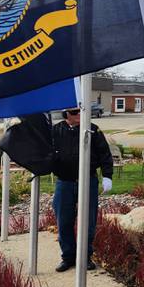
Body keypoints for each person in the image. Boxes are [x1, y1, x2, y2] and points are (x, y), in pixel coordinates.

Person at [51, 107, 113, 273]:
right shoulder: (56, 130)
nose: (79, 115)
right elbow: (47, 153)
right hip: (64, 182)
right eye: (75, 112)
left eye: (80, 111)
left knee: (88, 221)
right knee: (63, 220)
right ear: (66, 114)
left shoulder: (92, 130)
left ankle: (85, 256)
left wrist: (107, 176)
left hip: (87, 181)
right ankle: (68, 257)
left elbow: (105, 154)